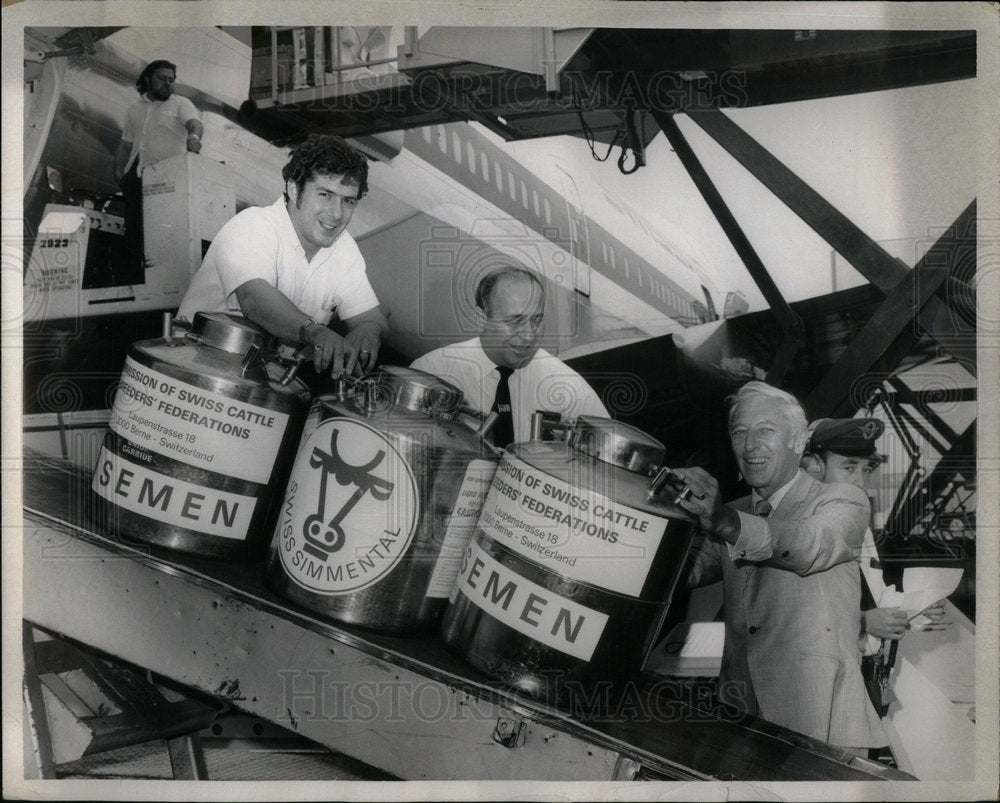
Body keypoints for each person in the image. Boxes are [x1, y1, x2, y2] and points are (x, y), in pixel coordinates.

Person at [673, 382, 888, 753]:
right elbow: (683, 573)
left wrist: (723, 521)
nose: (751, 444)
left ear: (798, 440)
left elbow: (807, 545)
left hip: (822, 724)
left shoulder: (842, 500)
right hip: (742, 720)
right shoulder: (737, 510)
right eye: (740, 432)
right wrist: (661, 514)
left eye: (765, 430)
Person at [177, 134, 388, 378]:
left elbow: (373, 319)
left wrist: (367, 331)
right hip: (193, 370)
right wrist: (314, 331)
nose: (337, 214)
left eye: (348, 200)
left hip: (266, 384)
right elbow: (253, 300)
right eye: (325, 195)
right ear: (294, 189)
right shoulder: (254, 224)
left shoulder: (344, 248)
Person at [410, 266, 608, 446]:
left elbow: (606, 452)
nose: (529, 336)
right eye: (514, 322)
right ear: (481, 318)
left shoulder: (568, 387)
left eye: (537, 321)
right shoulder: (433, 371)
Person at [114, 60, 204, 272]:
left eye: (171, 80)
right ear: (148, 79)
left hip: (168, 181)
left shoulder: (181, 104)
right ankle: (136, 277)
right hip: (138, 177)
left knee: (164, 230)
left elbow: (194, 123)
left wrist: (193, 136)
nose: (167, 84)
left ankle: (164, 278)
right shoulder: (135, 109)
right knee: (135, 232)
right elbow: (126, 143)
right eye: (161, 79)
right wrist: (119, 172)